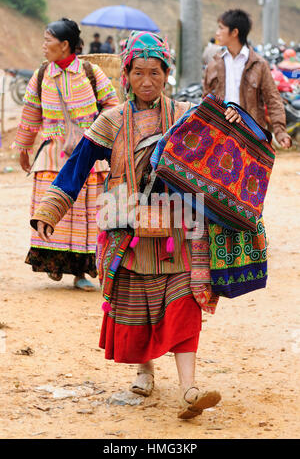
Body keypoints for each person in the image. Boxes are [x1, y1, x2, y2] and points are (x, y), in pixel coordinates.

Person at [30, 31, 241, 419]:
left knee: (182, 302)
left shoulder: (186, 115)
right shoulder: (110, 122)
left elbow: (222, 147)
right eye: (139, 73)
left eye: (156, 73)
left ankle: (190, 388)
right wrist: (49, 211)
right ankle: (145, 371)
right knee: (139, 303)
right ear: (126, 74)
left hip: (179, 225)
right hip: (126, 226)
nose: (148, 82)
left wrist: (230, 117)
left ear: (167, 74)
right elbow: (77, 167)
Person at [13, 18, 119, 291]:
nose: (43, 45)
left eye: (48, 40)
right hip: (51, 154)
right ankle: (53, 264)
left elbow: (112, 107)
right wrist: (24, 147)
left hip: (86, 157)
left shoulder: (91, 72)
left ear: (64, 45)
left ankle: (81, 274)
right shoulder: (40, 75)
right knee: (52, 211)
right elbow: (30, 114)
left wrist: (104, 137)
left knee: (85, 216)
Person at [203, 9, 292, 149]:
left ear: (234, 32)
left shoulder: (259, 64)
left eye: (221, 28)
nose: (217, 33)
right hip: (219, 133)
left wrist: (280, 132)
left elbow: (273, 99)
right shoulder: (214, 64)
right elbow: (206, 99)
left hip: (250, 136)